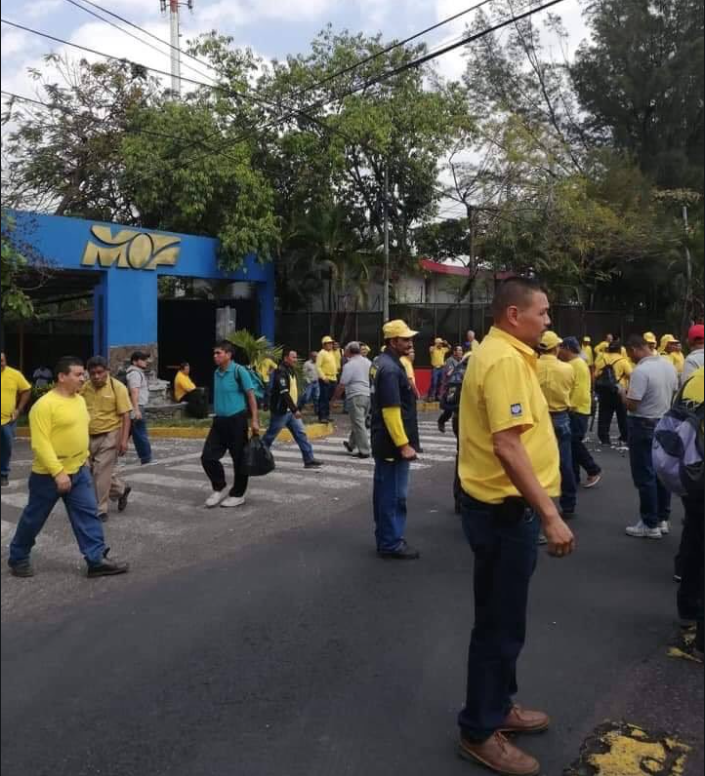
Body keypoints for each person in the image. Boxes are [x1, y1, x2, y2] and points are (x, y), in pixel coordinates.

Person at [456, 277, 574, 776]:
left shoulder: (508, 353)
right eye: (543, 313)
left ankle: (500, 706)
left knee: (505, 621)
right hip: (506, 514)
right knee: (499, 627)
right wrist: (550, 514)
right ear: (513, 315)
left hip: (504, 512)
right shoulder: (503, 359)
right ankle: (480, 730)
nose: (549, 321)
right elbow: (507, 446)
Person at [7, 356, 130, 579]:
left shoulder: (79, 400)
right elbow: (40, 444)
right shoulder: (44, 406)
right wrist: (58, 472)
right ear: (62, 377)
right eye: (78, 374)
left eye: (83, 374)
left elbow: (81, 432)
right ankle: (18, 557)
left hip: (79, 470)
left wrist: (83, 459)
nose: (83, 378)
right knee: (34, 518)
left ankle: (96, 559)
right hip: (48, 475)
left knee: (88, 514)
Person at [370, 320, 422, 560]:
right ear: (392, 342)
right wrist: (404, 444)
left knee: (384, 492)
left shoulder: (380, 362)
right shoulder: (390, 369)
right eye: (405, 339)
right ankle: (391, 543)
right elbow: (391, 410)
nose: (410, 343)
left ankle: (385, 538)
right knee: (394, 495)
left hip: (383, 440)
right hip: (393, 444)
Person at [623, 335, 679, 539]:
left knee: (644, 474)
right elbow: (674, 392)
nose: (630, 357)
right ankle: (662, 518)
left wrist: (622, 393)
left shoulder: (640, 371)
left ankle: (649, 523)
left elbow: (633, 404)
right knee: (661, 473)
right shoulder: (668, 366)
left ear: (635, 349)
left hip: (642, 423)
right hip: (664, 422)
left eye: (630, 353)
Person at [201, 342, 261, 509]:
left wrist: (254, 420)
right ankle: (219, 486)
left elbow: (251, 397)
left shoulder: (238, 371)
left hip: (237, 420)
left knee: (239, 459)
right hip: (219, 421)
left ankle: (238, 494)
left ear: (228, 355)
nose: (215, 356)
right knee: (207, 457)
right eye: (214, 353)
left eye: (218, 353)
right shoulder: (216, 373)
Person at [676, 366, 704, 658]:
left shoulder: (695, 380)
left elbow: (674, 426)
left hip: (694, 476)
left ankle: (687, 612)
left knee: (694, 543)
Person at [82, 356, 132, 522]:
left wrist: (124, 440)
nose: (96, 376)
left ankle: (100, 509)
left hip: (110, 434)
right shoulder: (84, 388)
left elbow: (126, 415)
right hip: (88, 434)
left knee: (100, 470)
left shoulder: (117, 387)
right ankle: (120, 489)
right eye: (92, 373)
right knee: (90, 472)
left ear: (107, 371)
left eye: (100, 372)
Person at [537, 332, 578, 517]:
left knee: (535, 464)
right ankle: (568, 504)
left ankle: (537, 505)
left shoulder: (531, 366)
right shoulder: (568, 368)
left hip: (538, 417)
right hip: (561, 416)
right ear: (555, 348)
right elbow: (570, 389)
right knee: (565, 462)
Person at [263, 350, 323, 469]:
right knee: (269, 436)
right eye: (293, 357)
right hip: (281, 411)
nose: (295, 360)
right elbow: (284, 393)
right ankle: (257, 457)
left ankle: (309, 460)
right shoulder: (280, 372)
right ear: (286, 358)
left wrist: (295, 408)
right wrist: (295, 409)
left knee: (301, 434)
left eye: (296, 357)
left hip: (290, 411)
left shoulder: (291, 371)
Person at [559, 337, 602, 489]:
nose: (558, 351)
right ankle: (574, 477)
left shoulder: (574, 365)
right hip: (580, 408)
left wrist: (569, 406)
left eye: (561, 348)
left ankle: (593, 469)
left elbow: (577, 389)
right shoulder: (578, 363)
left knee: (573, 442)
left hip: (576, 410)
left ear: (568, 348)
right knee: (572, 444)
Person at [334, 342, 372, 458]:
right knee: (359, 421)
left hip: (355, 396)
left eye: (345, 350)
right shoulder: (368, 362)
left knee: (359, 423)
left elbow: (342, 384)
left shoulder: (349, 365)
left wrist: (334, 399)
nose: (344, 352)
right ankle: (351, 444)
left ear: (349, 351)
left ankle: (364, 451)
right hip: (367, 395)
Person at [1, 352, 31, 488]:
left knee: (6, 448)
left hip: (7, 420)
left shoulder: (14, 374)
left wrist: (19, 409)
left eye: (2, 360)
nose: (1, 363)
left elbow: (26, 390)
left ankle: (3, 474)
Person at [594, 340, 632, 446]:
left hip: (604, 391)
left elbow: (596, 374)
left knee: (604, 414)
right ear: (619, 350)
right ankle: (624, 436)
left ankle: (604, 437)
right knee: (622, 415)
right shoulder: (623, 360)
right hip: (619, 391)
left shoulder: (602, 359)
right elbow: (631, 374)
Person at [126, 351, 153, 465]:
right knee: (140, 433)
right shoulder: (135, 374)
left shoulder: (137, 372)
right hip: (136, 406)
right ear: (135, 361)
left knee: (126, 432)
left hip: (135, 406)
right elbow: (134, 391)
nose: (145, 361)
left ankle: (112, 456)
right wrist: (136, 409)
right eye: (142, 359)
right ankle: (146, 457)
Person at [316, 336, 338, 423]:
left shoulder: (331, 353)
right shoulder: (321, 353)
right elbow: (318, 367)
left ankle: (327, 415)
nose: (331, 345)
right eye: (328, 343)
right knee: (323, 398)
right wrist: (323, 377)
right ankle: (322, 416)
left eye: (331, 343)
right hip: (325, 378)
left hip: (333, 378)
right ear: (324, 345)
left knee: (329, 399)